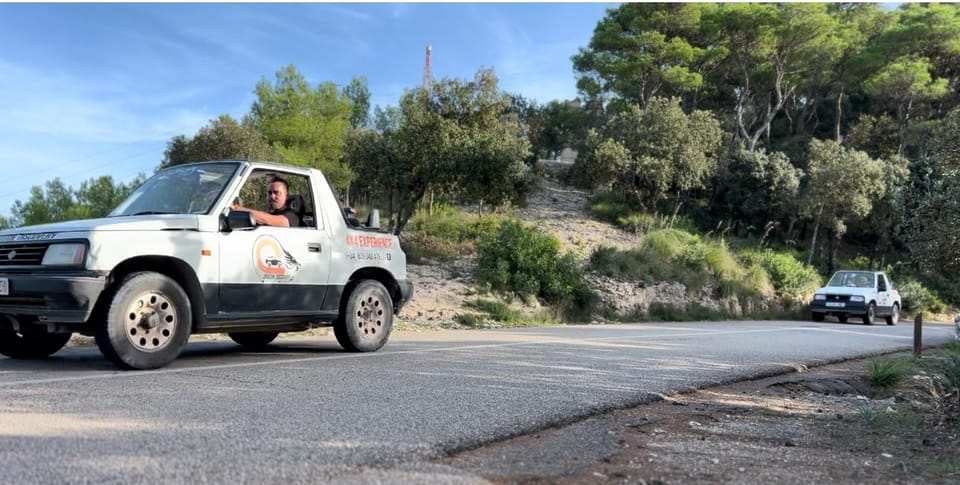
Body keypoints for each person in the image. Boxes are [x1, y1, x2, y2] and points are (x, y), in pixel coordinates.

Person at [231, 176, 300, 227]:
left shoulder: (292, 217)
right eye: (269, 193)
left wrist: (237, 208)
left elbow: (267, 219)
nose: (272, 196)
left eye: (276, 193)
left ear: (286, 196)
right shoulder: (273, 213)